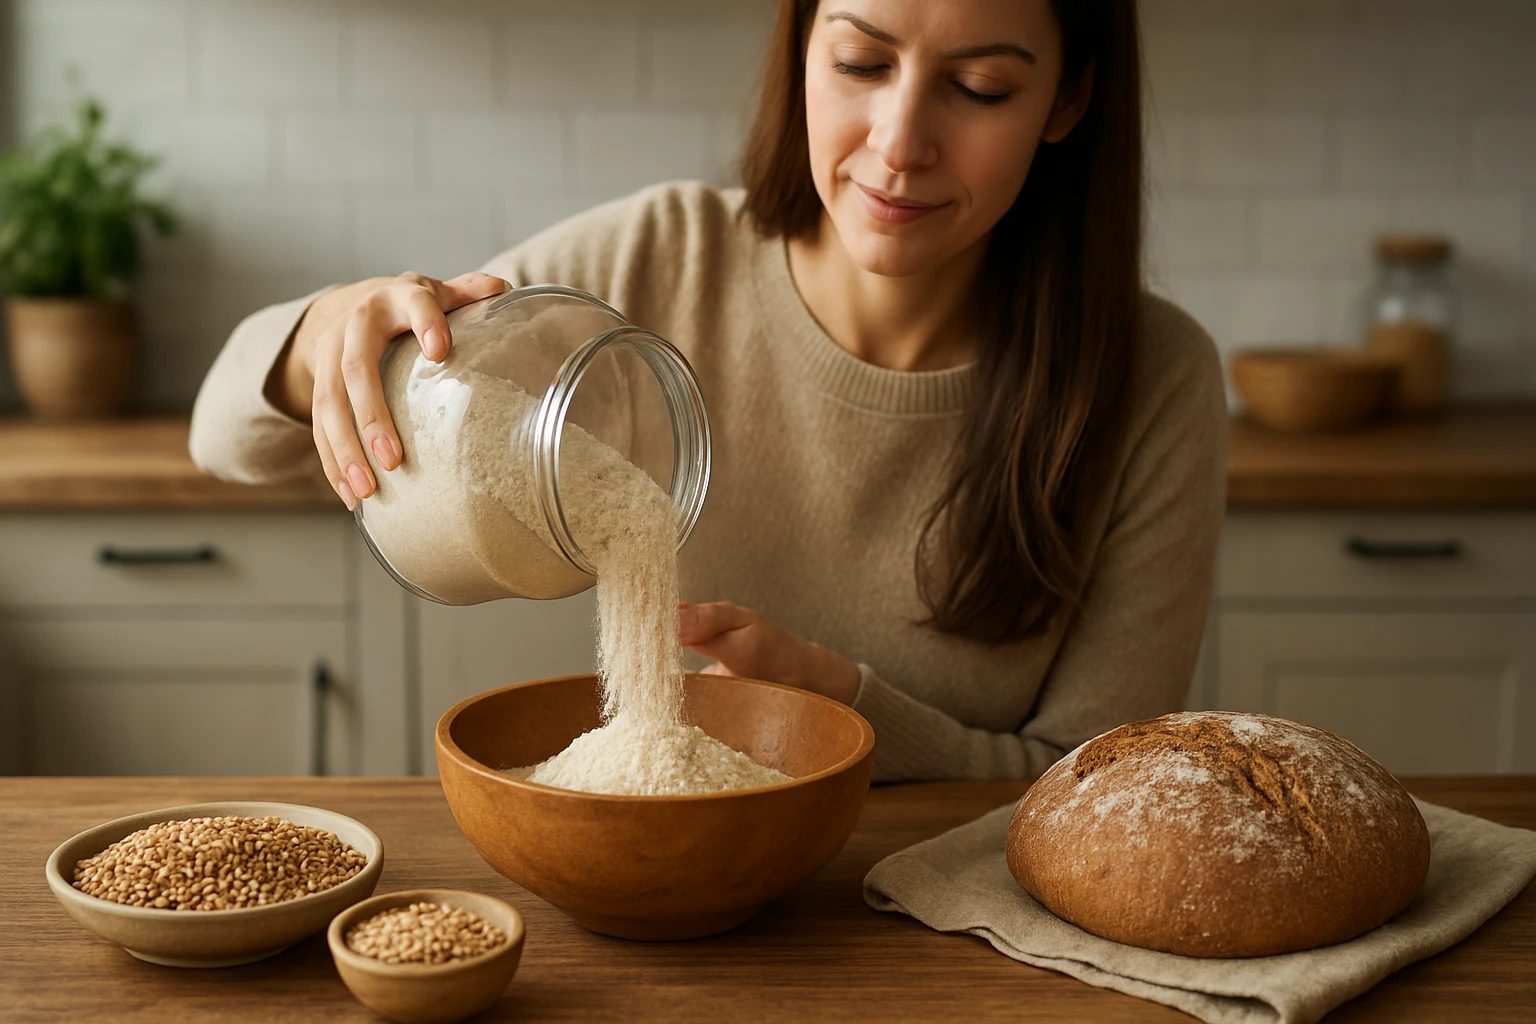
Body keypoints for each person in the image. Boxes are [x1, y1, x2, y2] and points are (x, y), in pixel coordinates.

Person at [190, 0, 1225, 783]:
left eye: (983, 87)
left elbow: (1101, 786)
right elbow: (223, 437)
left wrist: (849, 711)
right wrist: (322, 337)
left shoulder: (1151, 379)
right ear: (802, 45)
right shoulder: (656, 260)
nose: (901, 143)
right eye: (862, 61)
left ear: (1069, 100)